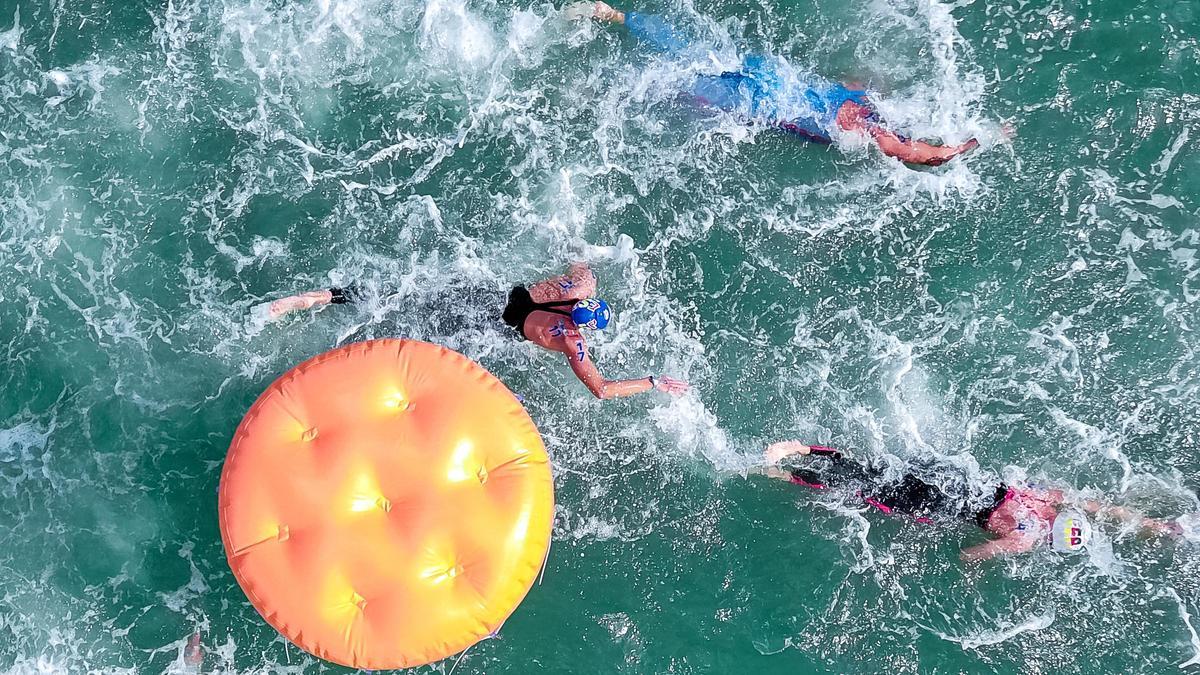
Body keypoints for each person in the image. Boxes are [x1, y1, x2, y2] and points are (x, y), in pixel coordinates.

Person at [565, 1, 981, 166]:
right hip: (757, 102)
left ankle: (615, 16)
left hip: (770, 72)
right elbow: (899, 148)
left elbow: (861, 79)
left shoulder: (857, 94)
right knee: (674, 89)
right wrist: (958, 149)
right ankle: (596, 93)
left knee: (691, 52)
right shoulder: (861, 128)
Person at [256, 263, 689, 400]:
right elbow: (602, 389)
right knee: (411, 331)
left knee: (398, 297)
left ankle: (320, 297)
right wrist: (651, 381)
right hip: (484, 327)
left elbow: (582, 263)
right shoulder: (572, 341)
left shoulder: (576, 287)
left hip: (480, 292)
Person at [756, 441, 1183, 562]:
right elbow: (970, 554)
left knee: (883, 466)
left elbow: (1103, 509)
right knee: (867, 491)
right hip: (949, 506)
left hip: (964, 477)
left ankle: (807, 449)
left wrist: (1156, 526)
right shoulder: (1025, 540)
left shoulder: (1048, 499)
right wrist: (974, 574)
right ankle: (782, 472)